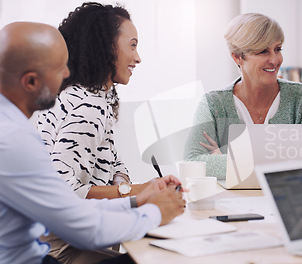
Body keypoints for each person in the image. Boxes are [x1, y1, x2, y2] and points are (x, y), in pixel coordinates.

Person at [0, 21, 185, 264]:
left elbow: (69, 207)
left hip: (42, 250)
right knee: (168, 256)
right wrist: (154, 212)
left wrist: (137, 199)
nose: (67, 74)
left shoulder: (14, 123)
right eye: (59, 69)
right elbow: (83, 227)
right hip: (45, 254)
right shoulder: (13, 139)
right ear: (31, 82)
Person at [183, 13, 302, 179]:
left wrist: (228, 162)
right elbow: (192, 162)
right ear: (237, 57)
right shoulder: (213, 104)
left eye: (278, 49)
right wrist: (282, 161)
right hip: (230, 203)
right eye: (263, 51)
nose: (274, 60)